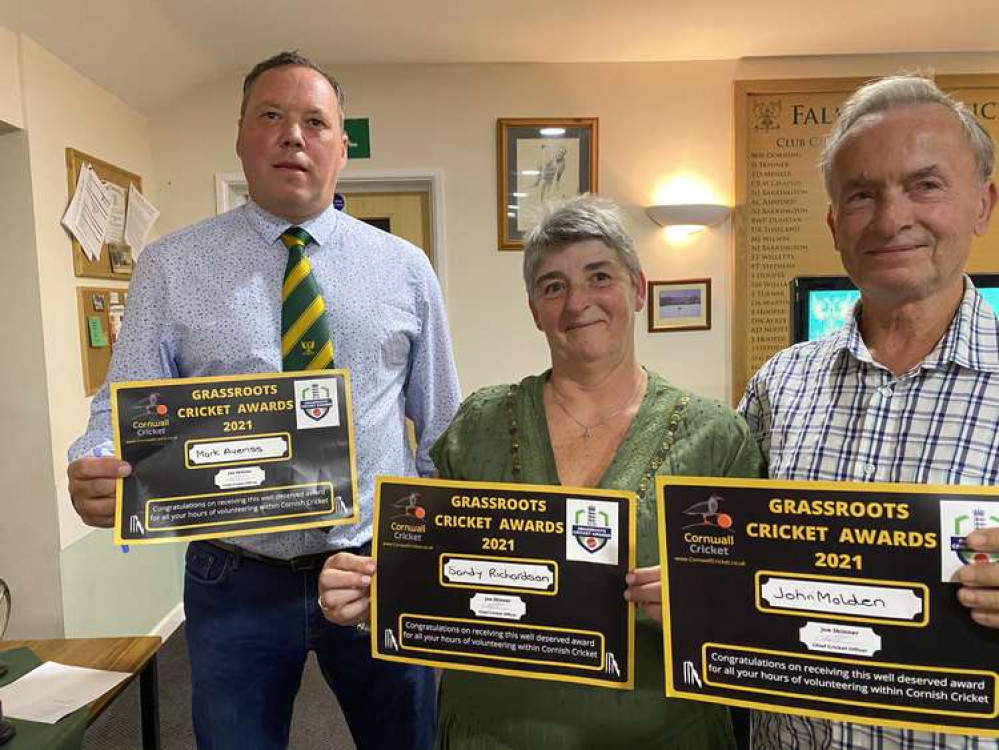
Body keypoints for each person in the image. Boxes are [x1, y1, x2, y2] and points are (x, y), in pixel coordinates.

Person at [66, 51, 460, 750]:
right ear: (242, 137)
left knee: (407, 740)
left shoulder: (404, 269)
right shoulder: (170, 265)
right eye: (271, 116)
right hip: (233, 577)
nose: (293, 135)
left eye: (315, 121)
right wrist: (96, 464)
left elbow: (441, 428)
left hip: (371, 568)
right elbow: (117, 411)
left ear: (342, 147)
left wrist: (420, 555)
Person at [321, 195, 765, 749]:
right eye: (554, 286)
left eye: (599, 276)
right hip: (492, 730)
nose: (579, 302)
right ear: (535, 310)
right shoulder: (479, 424)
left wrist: (702, 605)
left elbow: (757, 620)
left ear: (637, 289)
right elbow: (430, 572)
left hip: (661, 734)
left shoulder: (717, 439)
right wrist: (367, 593)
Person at [740, 74, 999, 750]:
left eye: (925, 185)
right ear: (834, 225)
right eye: (861, 194)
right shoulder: (777, 386)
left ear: (982, 203)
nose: (890, 220)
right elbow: (722, 552)